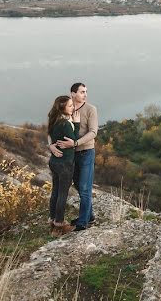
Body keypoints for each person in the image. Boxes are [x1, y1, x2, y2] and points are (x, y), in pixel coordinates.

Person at [50, 82, 98, 231]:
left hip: (86, 153)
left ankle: (83, 222)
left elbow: (93, 132)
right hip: (70, 157)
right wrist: (50, 145)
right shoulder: (65, 107)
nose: (85, 94)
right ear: (73, 93)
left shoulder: (91, 109)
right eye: (82, 92)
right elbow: (51, 128)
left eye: (86, 92)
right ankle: (88, 216)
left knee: (84, 188)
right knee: (78, 186)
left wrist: (76, 143)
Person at [47, 95, 76, 235]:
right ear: (62, 108)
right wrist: (76, 123)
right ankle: (59, 224)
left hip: (54, 162)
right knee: (62, 194)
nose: (73, 108)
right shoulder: (65, 123)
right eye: (70, 106)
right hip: (65, 163)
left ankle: (52, 221)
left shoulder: (54, 121)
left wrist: (51, 146)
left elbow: (51, 137)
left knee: (55, 192)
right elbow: (74, 139)